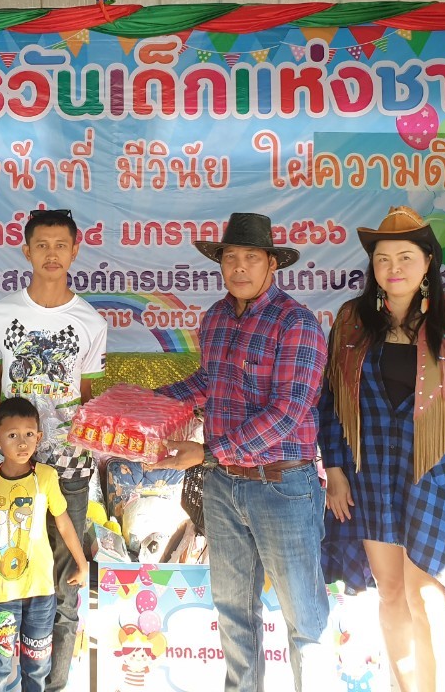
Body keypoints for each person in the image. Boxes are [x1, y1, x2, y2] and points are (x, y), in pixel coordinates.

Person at [319, 206, 445, 692]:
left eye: (405, 257)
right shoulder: (352, 322)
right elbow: (330, 401)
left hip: (435, 478)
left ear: (427, 263)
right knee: (391, 591)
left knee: (426, 598)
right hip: (372, 475)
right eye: (382, 259)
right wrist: (335, 469)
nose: (393, 267)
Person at [155, 211, 336, 692]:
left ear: (272, 264)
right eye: (230, 257)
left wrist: (207, 453)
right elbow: (207, 383)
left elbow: (288, 412)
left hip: (282, 487)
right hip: (223, 487)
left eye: (251, 257)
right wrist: (145, 407)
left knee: (305, 620)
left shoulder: (296, 323)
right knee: (234, 611)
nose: (238, 267)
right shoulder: (215, 317)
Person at [0, 207, 108, 692]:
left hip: (67, 466)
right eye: (41, 245)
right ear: (26, 251)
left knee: (63, 585)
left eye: (60, 245)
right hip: (7, 465)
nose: (51, 253)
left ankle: (52, 685)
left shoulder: (90, 321)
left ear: (75, 250)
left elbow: (87, 395)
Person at [0, 396, 89, 692]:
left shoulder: (46, 476)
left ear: (39, 438)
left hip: (41, 591)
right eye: (12, 436)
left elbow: (63, 523)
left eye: (29, 434)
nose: (22, 443)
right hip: (2, 593)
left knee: (37, 668)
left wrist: (82, 563)